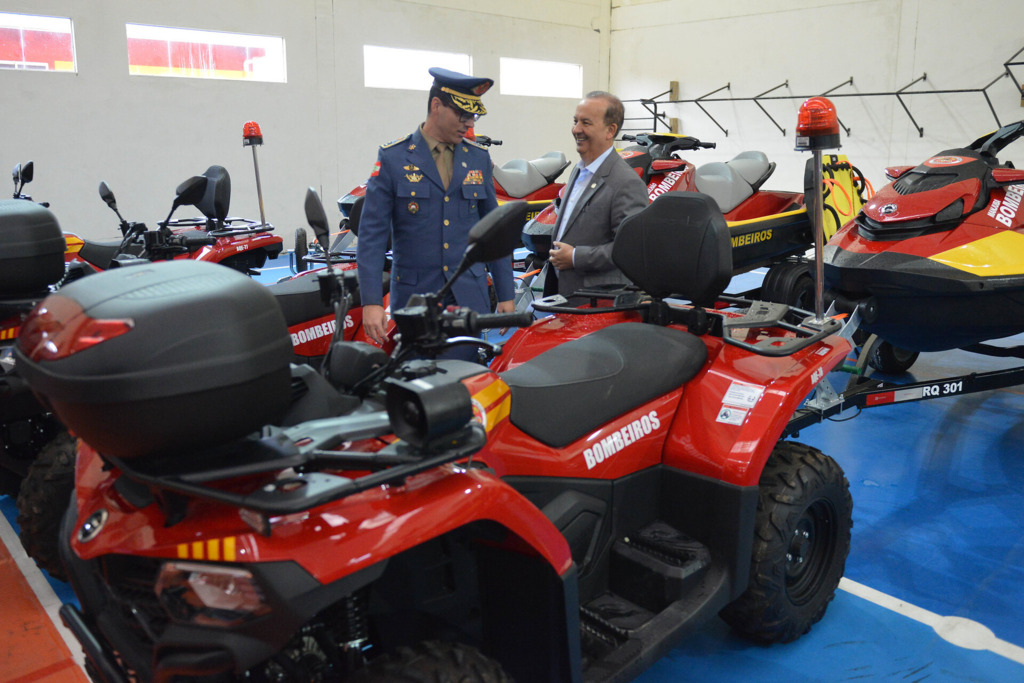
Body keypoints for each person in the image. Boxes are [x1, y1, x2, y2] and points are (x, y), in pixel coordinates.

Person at [357, 67, 515, 350]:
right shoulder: (393, 158)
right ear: (436, 106)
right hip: (415, 299)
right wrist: (370, 302)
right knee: (418, 379)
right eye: (461, 115)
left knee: (466, 379)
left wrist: (506, 293)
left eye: (473, 116)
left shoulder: (478, 158)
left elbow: (496, 230)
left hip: (469, 296)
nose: (467, 124)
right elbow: (372, 236)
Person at [543, 91, 648, 299]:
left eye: (586, 123)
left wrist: (575, 257)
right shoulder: (578, 170)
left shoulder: (626, 183)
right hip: (565, 293)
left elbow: (630, 250)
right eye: (575, 121)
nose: (576, 129)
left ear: (610, 131)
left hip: (595, 301)